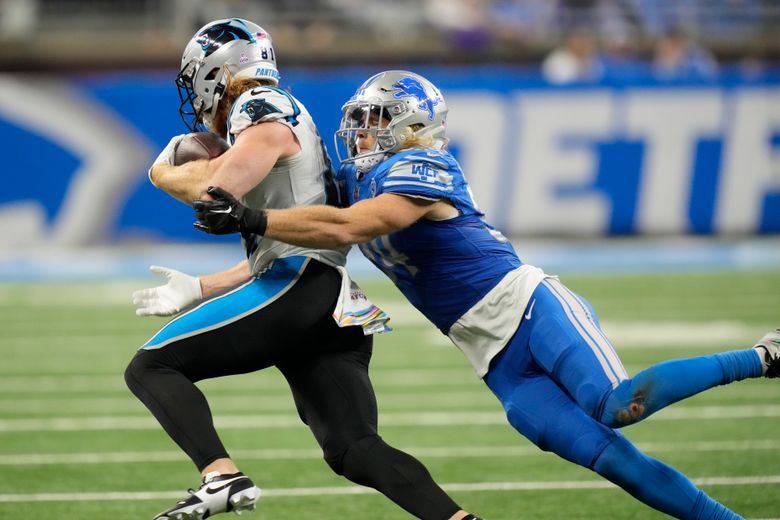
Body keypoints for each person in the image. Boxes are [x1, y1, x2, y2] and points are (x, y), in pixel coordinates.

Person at [193, 69, 780, 519]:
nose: (360, 131)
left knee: (614, 405)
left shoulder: (423, 164)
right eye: (360, 119)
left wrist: (251, 217)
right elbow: (314, 241)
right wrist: (205, 282)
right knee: (612, 461)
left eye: (374, 119)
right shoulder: (350, 180)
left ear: (410, 125)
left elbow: (353, 227)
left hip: (528, 308)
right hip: (493, 360)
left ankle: (762, 357)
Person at [126, 22, 480, 520]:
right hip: (327, 299)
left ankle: (220, 475)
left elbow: (215, 197)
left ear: (220, 70)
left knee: (152, 367)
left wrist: (161, 171)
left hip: (297, 288)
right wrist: (205, 286)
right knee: (354, 450)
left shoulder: (260, 105)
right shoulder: (285, 112)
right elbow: (278, 235)